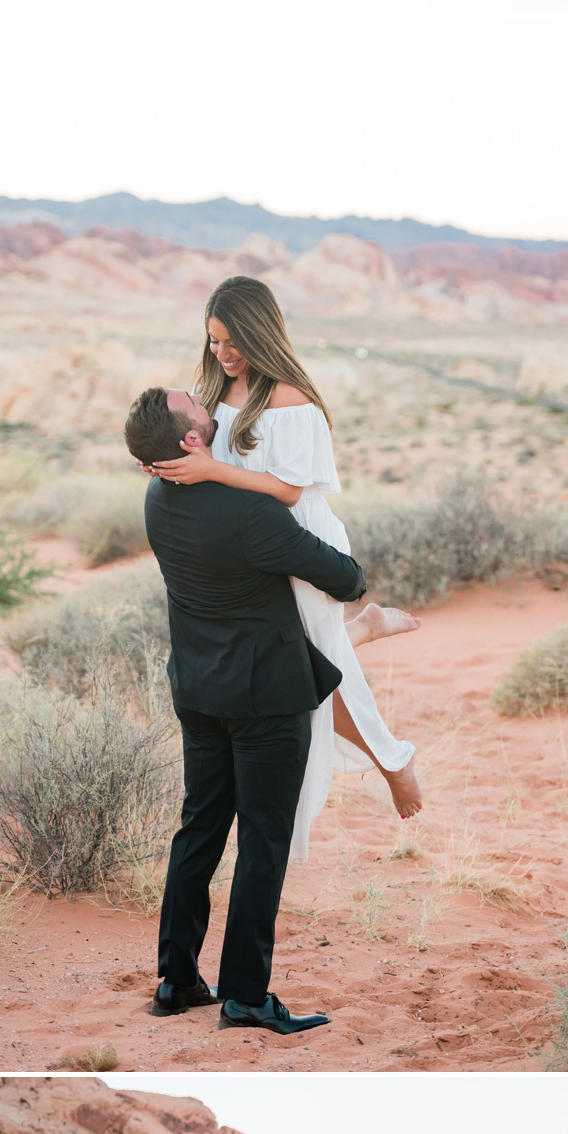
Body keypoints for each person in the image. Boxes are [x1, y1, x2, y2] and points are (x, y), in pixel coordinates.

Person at [144, 274, 422, 862]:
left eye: (230, 341)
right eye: (212, 341)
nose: (220, 354)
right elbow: (197, 450)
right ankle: (367, 632)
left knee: (308, 667)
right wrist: (168, 465)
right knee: (289, 659)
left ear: (258, 331)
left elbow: (290, 493)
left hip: (297, 540)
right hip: (244, 544)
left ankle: (393, 758)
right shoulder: (212, 387)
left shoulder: (293, 400)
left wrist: (213, 473)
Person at [125, 384, 362, 1035]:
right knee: (262, 841)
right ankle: (247, 997)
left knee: (198, 829)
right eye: (195, 404)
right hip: (265, 700)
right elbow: (348, 576)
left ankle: (176, 980)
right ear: (192, 440)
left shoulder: (156, 497)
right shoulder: (248, 511)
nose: (204, 396)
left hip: (199, 692)